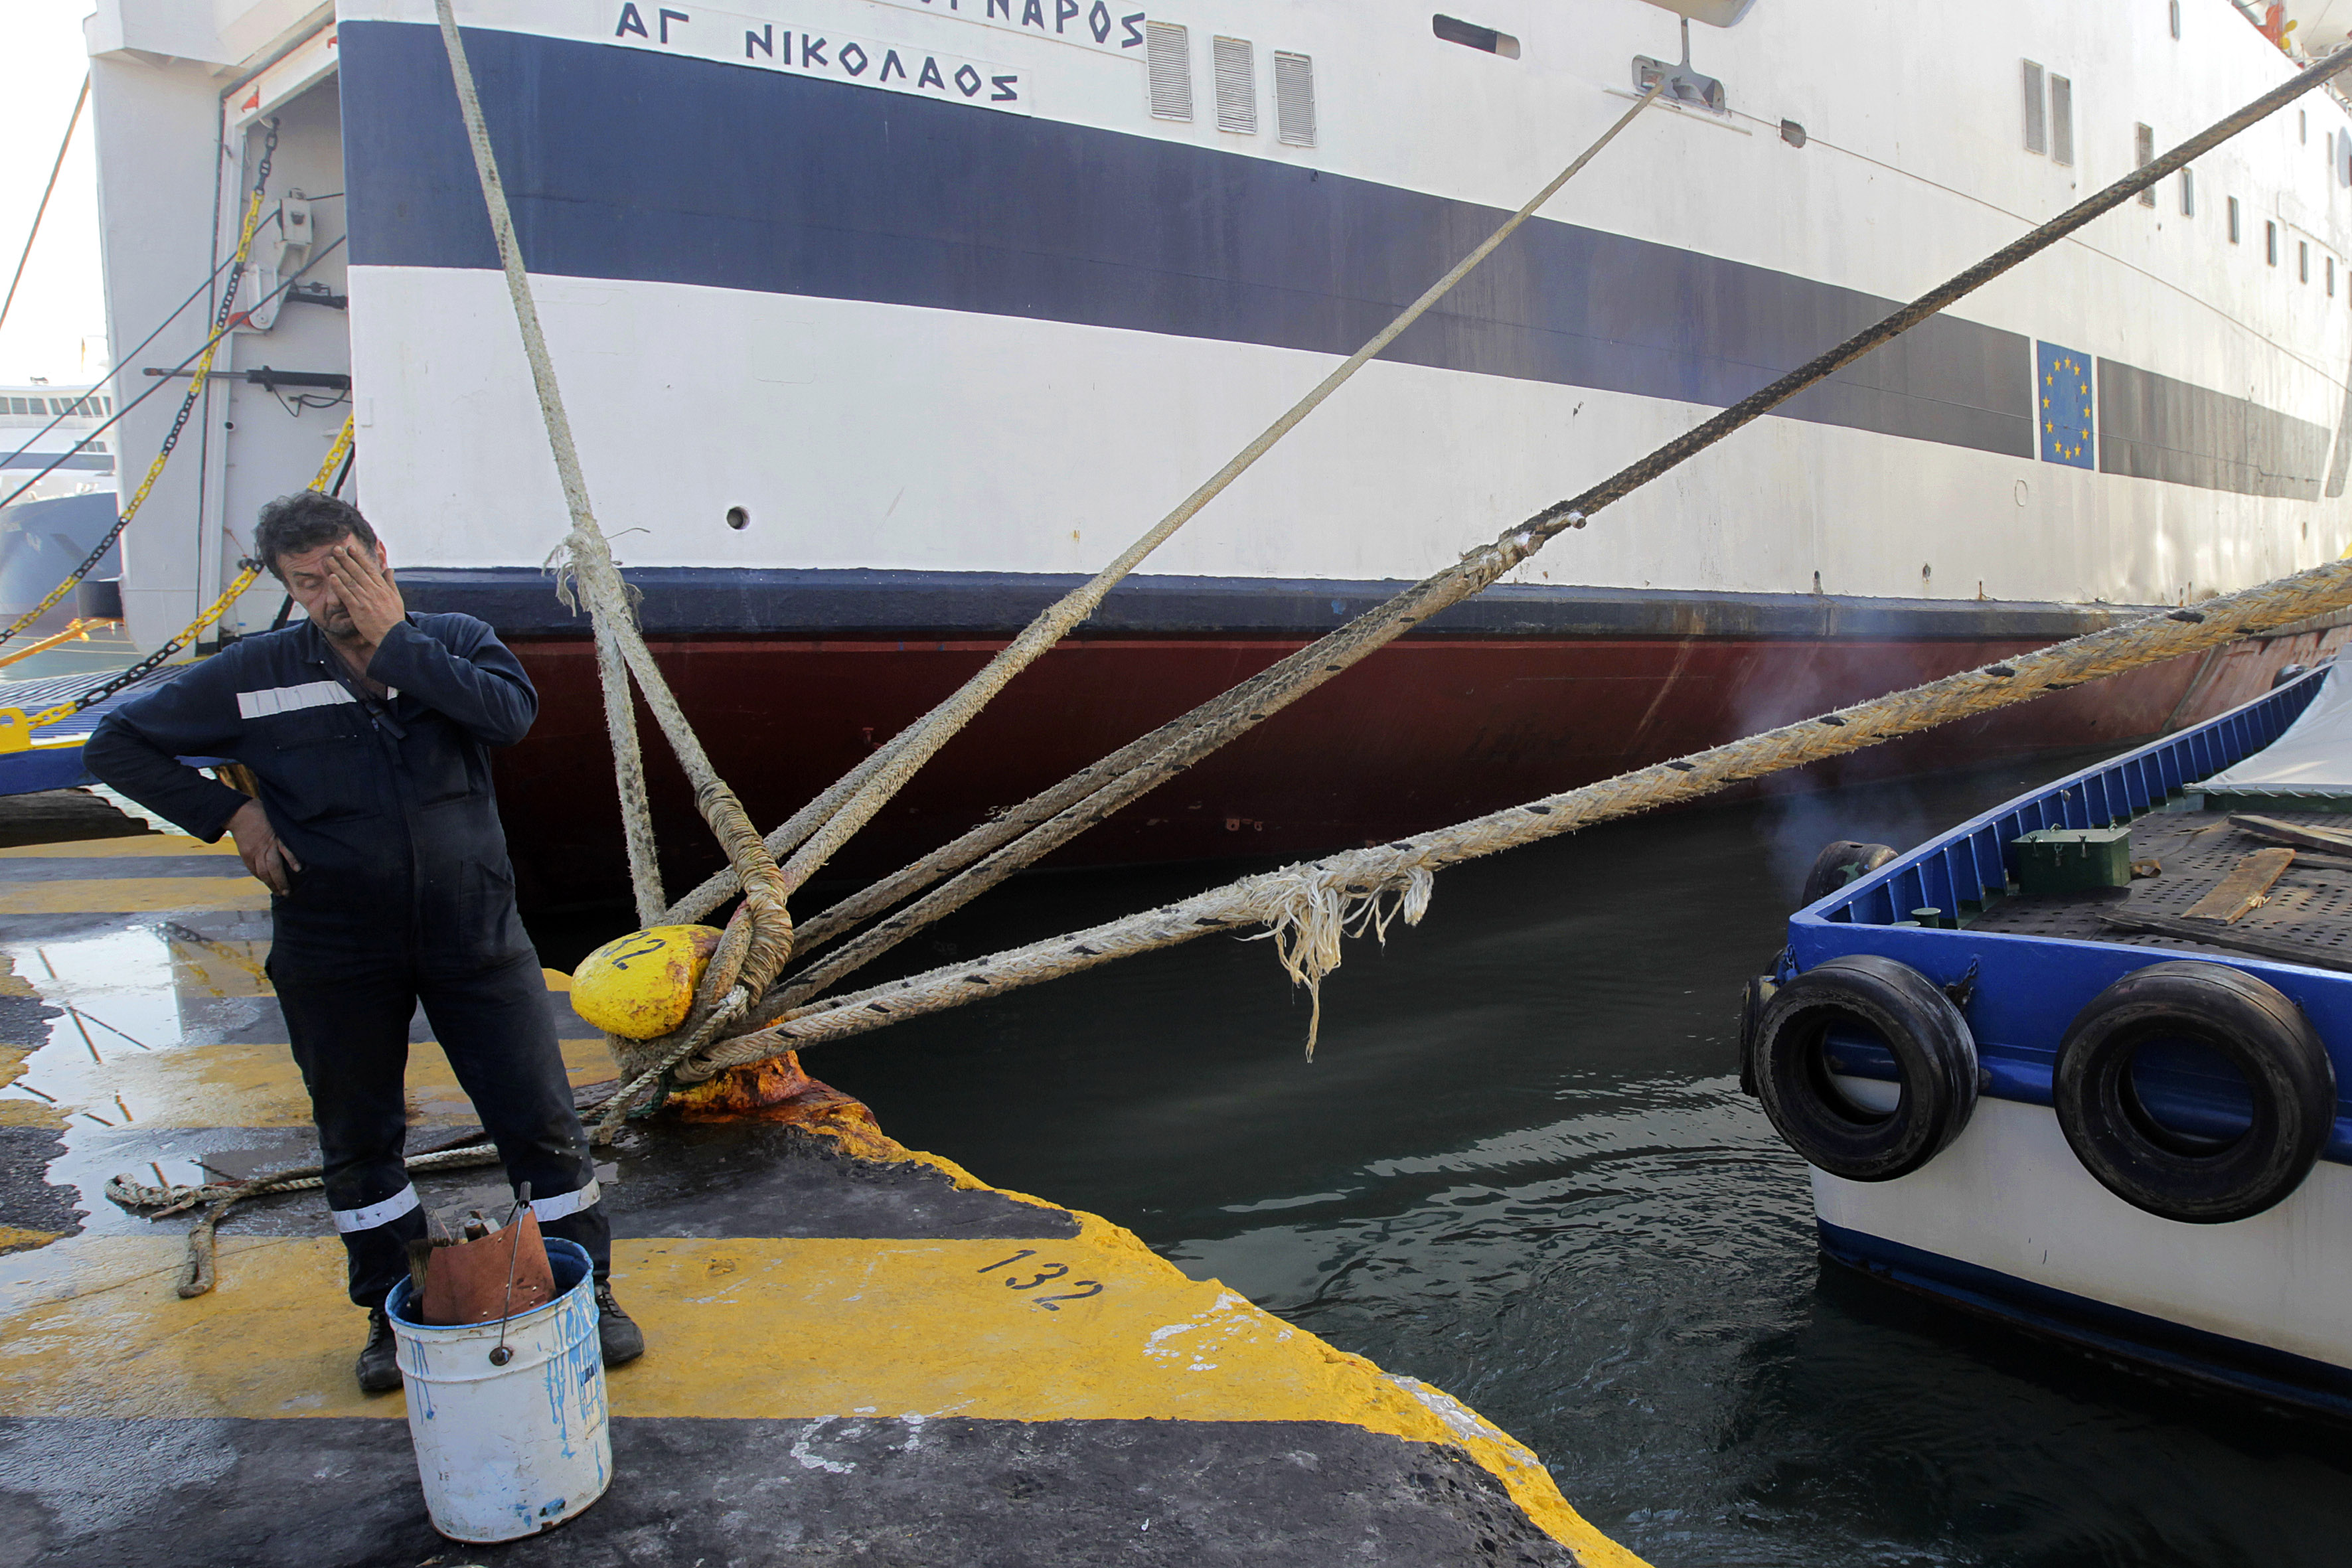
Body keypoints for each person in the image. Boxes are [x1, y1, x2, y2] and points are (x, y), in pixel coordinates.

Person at [86, 489, 643, 1391]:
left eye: (345, 571)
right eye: (309, 584)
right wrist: (232, 813)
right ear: (288, 589)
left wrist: (398, 643)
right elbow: (116, 744)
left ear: (379, 555)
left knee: (539, 1122)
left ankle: (589, 1289)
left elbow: (509, 718)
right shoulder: (255, 672)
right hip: (333, 939)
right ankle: (390, 1310)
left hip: (474, 932)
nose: (331, 596)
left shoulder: (455, 641)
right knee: (359, 1138)